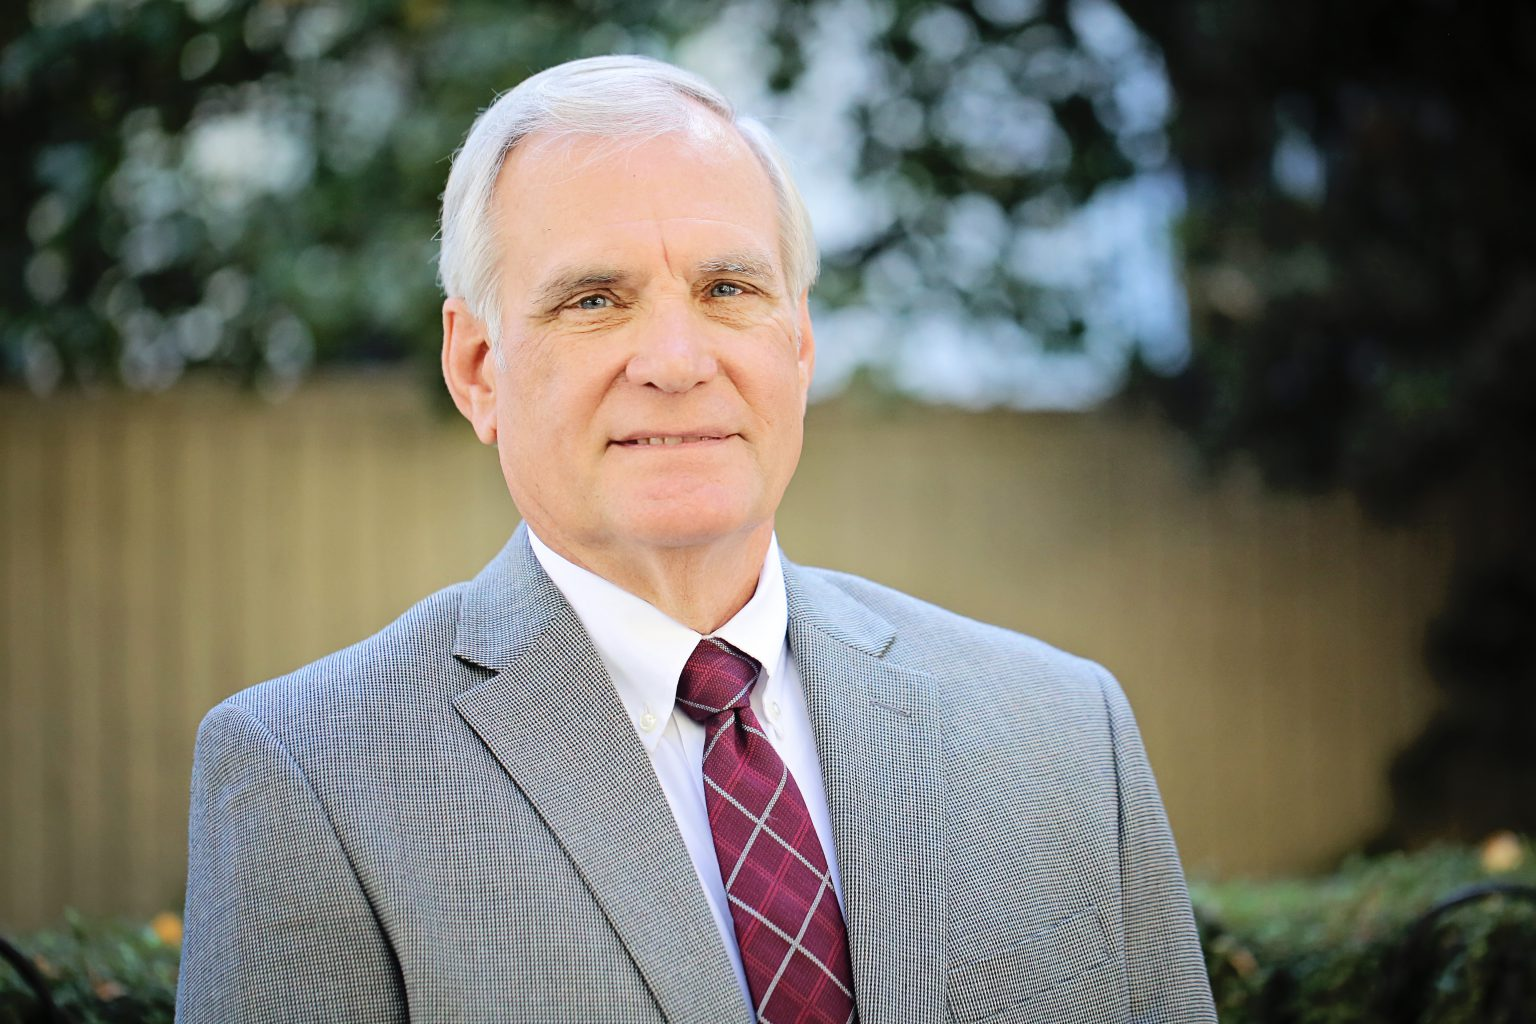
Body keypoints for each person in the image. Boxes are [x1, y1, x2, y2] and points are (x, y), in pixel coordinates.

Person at [176, 54, 1216, 1024]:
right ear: (479, 366)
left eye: (728, 290)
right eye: (595, 299)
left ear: (799, 340)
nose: (677, 360)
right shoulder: (305, 777)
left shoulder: (1066, 733)